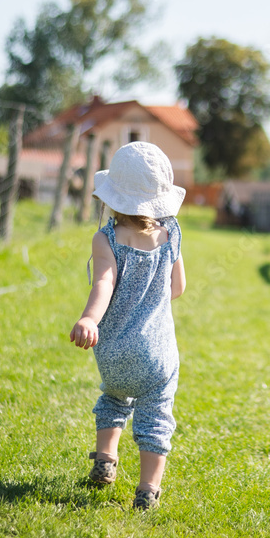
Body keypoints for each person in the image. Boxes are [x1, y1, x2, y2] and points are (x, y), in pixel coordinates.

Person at [69, 141, 187, 510]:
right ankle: (148, 490)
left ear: (113, 197)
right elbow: (178, 288)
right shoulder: (171, 234)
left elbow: (103, 282)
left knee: (114, 398)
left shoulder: (105, 238)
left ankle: (105, 459)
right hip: (158, 355)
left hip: (113, 351)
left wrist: (90, 318)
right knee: (156, 416)